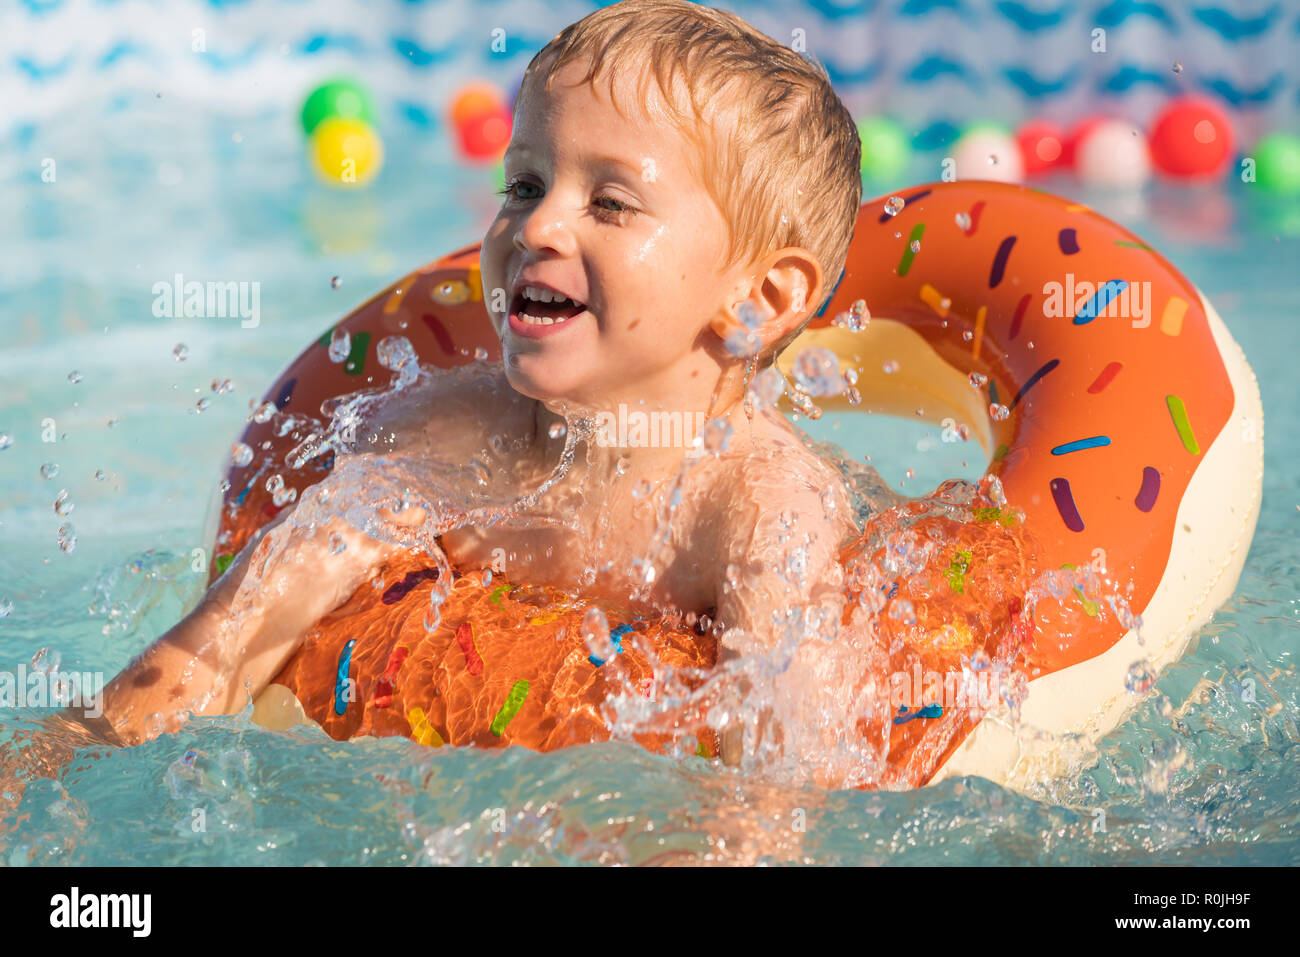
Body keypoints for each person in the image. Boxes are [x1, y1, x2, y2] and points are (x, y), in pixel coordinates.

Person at [92, 0, 867, 768]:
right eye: (525, 185)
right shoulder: (447, 435)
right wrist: (75, 751)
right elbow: (224, 644)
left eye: (609, 202)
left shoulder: (756, 512)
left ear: (760, 300)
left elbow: (783, 795)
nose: (535, 228)